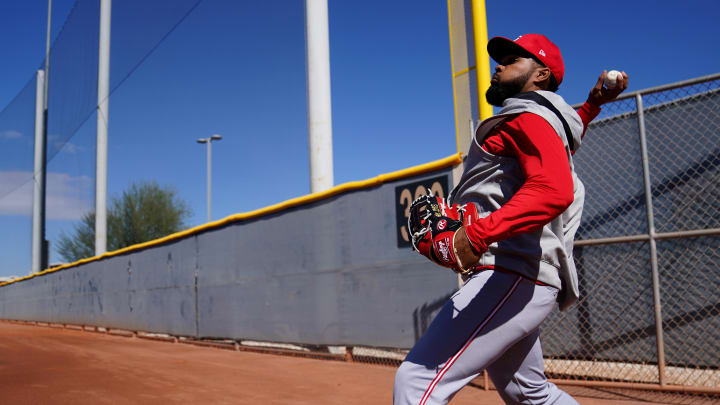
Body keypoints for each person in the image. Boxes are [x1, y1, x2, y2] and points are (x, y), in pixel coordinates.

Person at [395, 34, 628, 405]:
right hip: (522, 275)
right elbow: (566, 128)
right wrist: (592, 106)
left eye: (513, 59)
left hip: (511, 272)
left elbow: (554, 190)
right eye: (500, 59)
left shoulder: (529, 118)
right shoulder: (544, 120)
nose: (499, 66)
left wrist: (475, 236)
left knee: (417, 381)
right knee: (529, 392)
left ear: (541, 75)